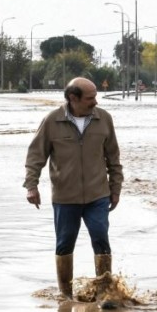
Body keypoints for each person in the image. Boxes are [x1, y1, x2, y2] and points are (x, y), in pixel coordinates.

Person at [24, 77, 124, 300]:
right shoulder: (52, 121)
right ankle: (66, 296)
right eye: (90, 98)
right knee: (64, 243)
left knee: (100, 237)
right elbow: (35, 156)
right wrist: (31, 186)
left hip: (98, 194)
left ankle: (105, 294)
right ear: (73, 98)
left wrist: (115, 188)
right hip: (65, 197)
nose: (95, 102)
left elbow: (114, 158)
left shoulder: (104, 119)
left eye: (96, 96)